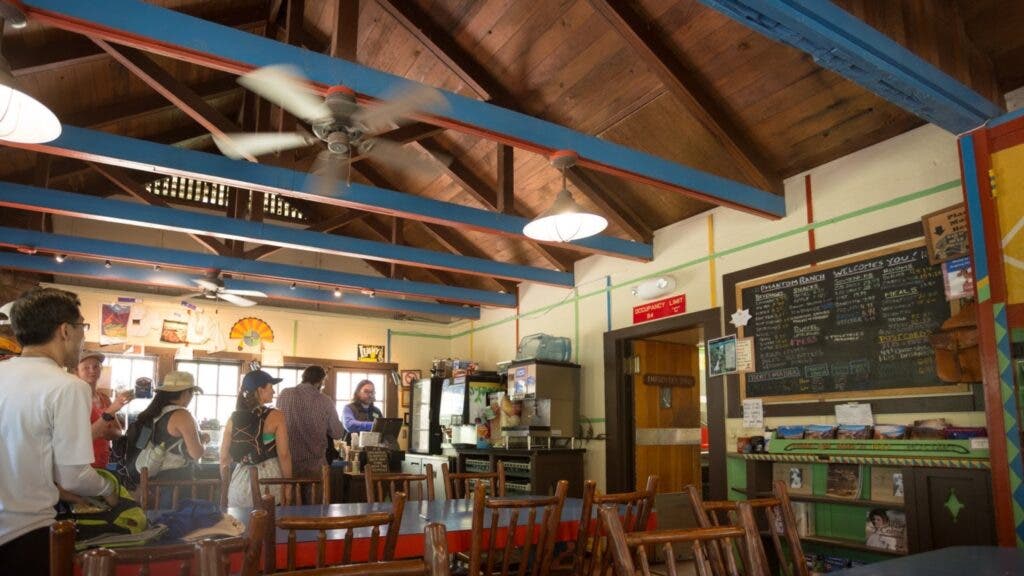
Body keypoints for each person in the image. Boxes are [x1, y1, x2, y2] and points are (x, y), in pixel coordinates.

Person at [0, 288, 119, 575]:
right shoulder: (67, 386)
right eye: (82, 328)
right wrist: (108, 488)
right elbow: (73, 475)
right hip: (25, 534)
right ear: (65, 331)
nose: (83, 337)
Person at [221, 370, 292, 507]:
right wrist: (288, 487)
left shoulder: (233, 418)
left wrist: (226, 488)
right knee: (268, 526)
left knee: (241, 526)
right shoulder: (276, 416)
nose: (274, 392)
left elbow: (224, 458)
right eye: (271, 387)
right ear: (260, 390)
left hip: (239, 484)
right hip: (268, 484)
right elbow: (284, 455)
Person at [130, 371, 206, 483]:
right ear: (186, 393)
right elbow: (196, 453)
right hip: (175, 481)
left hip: (151, 479)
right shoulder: (182, 415)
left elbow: (141, 445)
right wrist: (204, 440)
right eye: (192, 393)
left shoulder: (153, 413)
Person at [277, 366, 343, 478]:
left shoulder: (284, 394)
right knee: (315, 495)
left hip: (288, 463)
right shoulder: (325, 401)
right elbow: (338, 433)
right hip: (315, 465)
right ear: (320, 381)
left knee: (290, 495)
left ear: (304, 377)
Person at [77, 350, 133, 469]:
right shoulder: (75, 398)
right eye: (86, 367)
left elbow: (118, 432)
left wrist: (103, 432)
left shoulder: (104, 398)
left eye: (96, 366)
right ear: (77, 371)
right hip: (82, 464)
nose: (92, 370)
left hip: (102, 461)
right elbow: (82, 437)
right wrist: (111, 412)